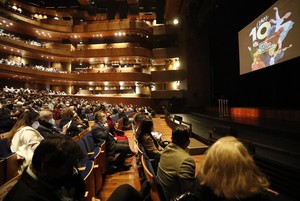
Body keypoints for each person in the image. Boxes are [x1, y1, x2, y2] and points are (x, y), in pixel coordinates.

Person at [194, 136, 278, 201]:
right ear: (246, 163)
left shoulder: (200, 188)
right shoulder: (260, 196)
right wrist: (261, 190)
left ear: (210, 163)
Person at [4, 135, 86, 201]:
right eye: (67, 168)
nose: (71, 171)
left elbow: (80, 193)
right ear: (45, 166)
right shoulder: (23, 197)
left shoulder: (53, 175)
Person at [157, 125, 196, 199]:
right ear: (188, 142)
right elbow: (189, 192)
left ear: (172, 139)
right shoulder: (186, 160)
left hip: (162, 194)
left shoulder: (166, 149)